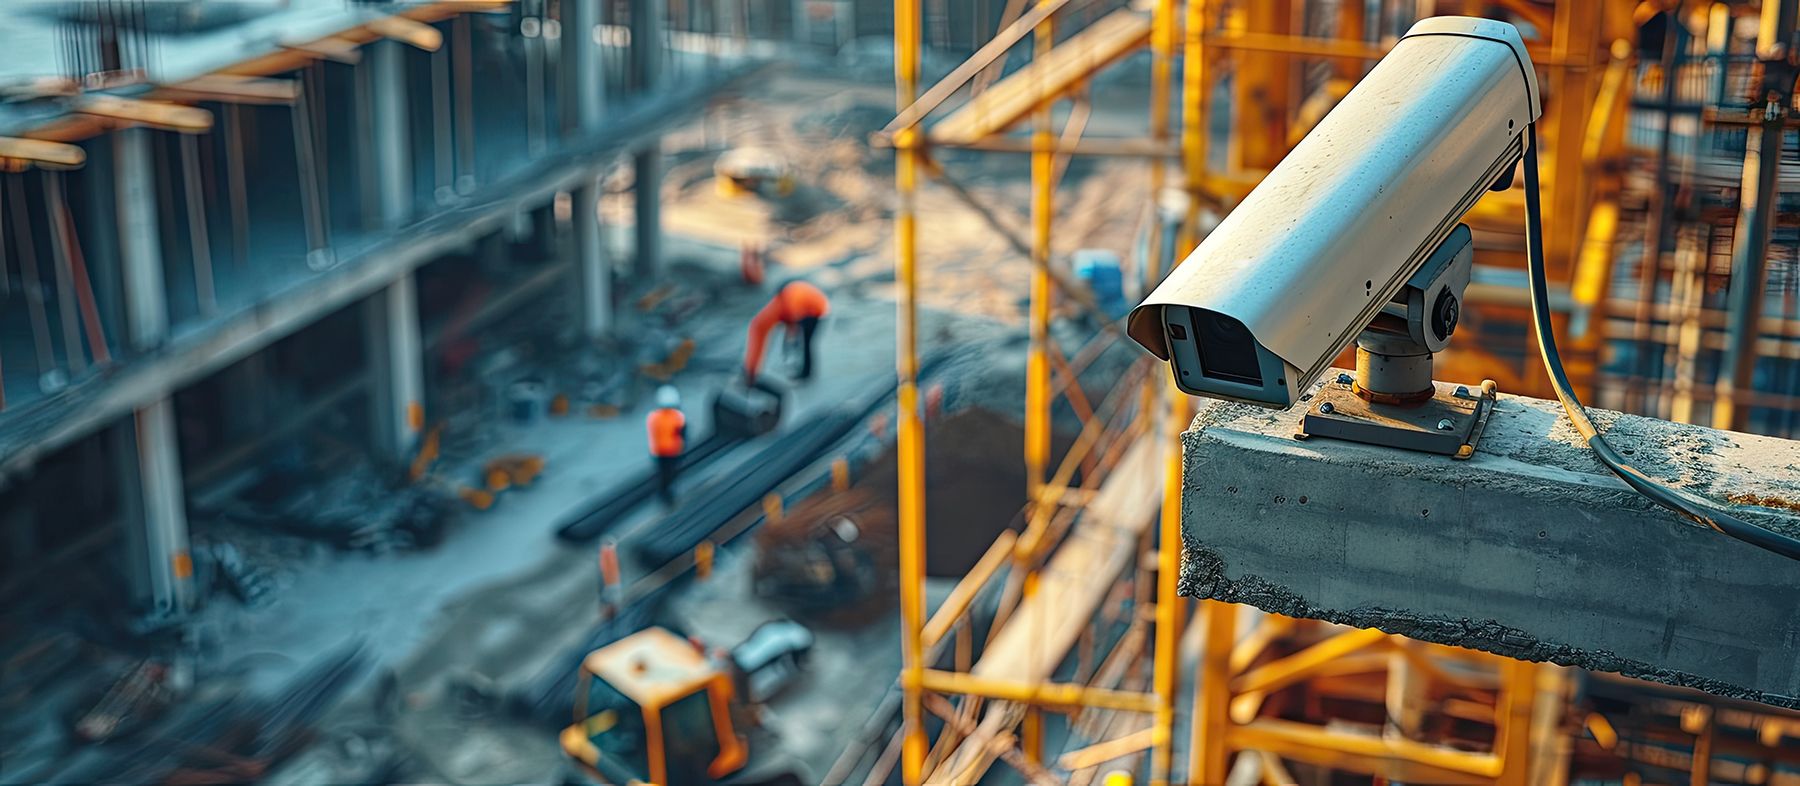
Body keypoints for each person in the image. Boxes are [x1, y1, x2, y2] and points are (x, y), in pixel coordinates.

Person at [744, 280, 830, 384]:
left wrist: (791, 338)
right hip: (814, 308)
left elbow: (794, 319)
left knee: (806, 343)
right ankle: (802, 369)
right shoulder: (787, 299)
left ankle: (806, 373)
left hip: (815, 312)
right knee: (804, 343)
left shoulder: (790, 298)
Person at [646, 386, 686, 506]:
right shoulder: (677, 417)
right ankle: (666, 495)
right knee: (669, 474)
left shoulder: (653, 417)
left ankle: (664, 493)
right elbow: (683, 434)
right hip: (671, 451)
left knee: (663, 474)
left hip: (660, 452)